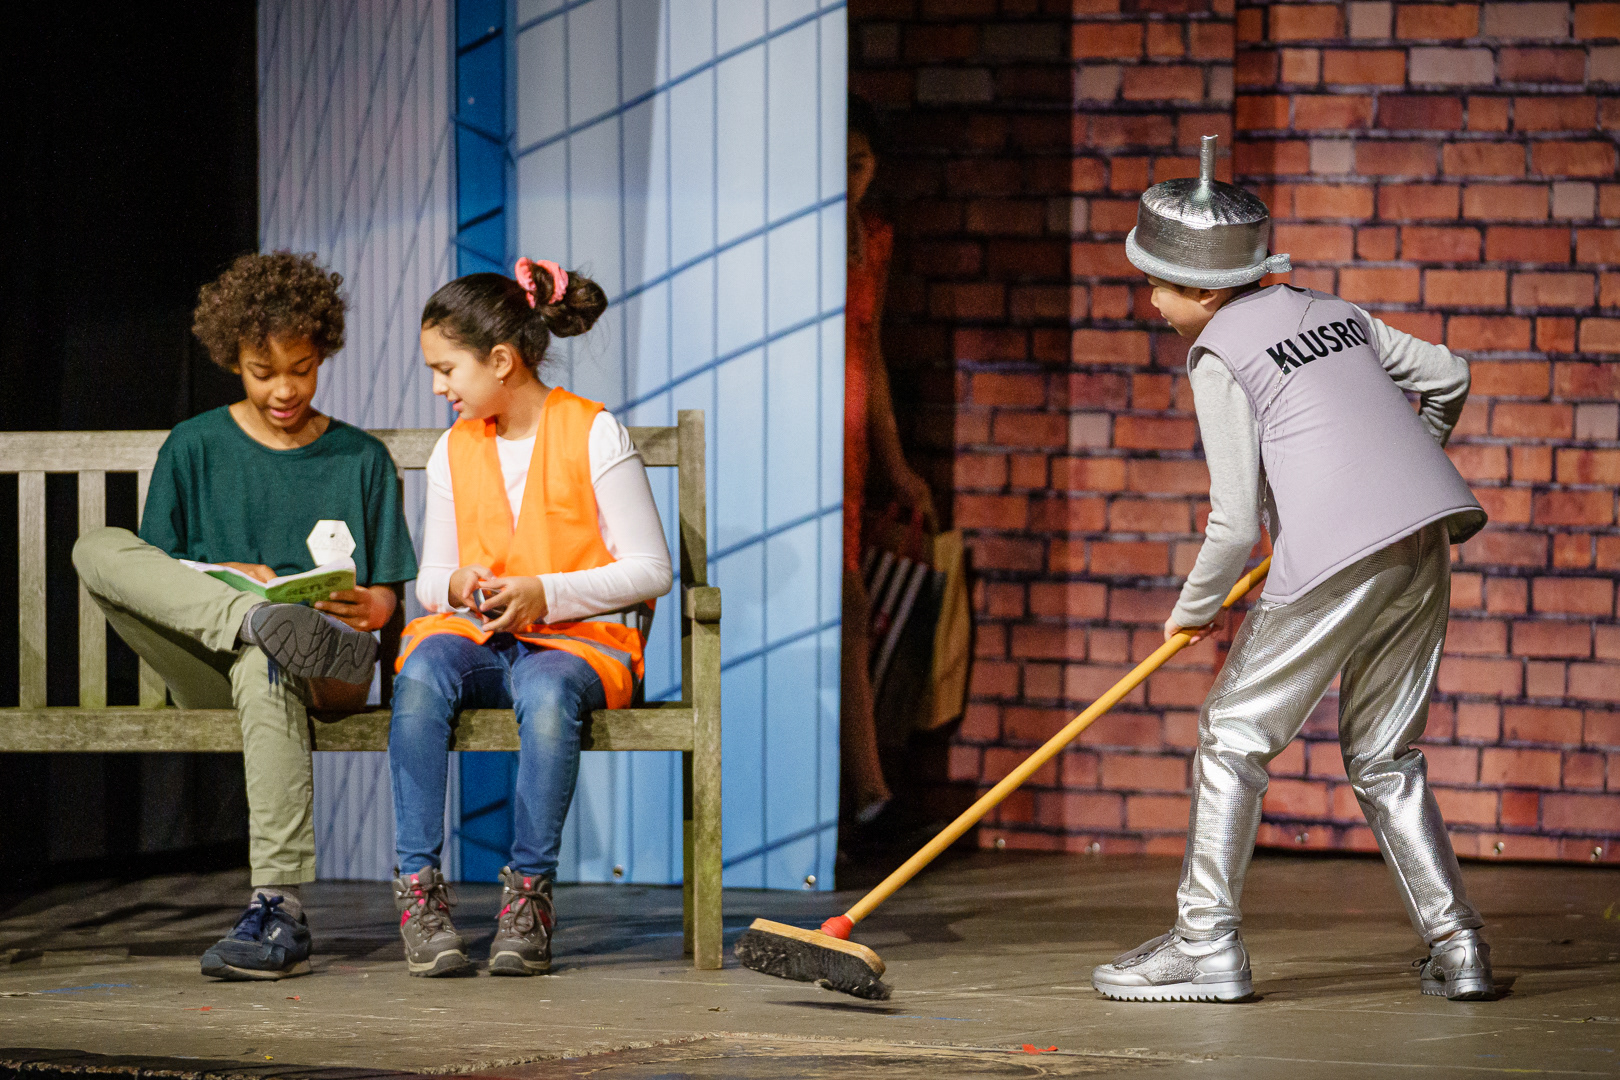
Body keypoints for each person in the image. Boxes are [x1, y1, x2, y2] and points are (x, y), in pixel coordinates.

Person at [1090, 137, 1496, 1003]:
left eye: (1158, 284)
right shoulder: (1334, 312)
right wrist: (1406, 464)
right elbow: (1449, 374)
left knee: (1231, 735)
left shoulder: (1218, 352)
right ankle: (1459, 945)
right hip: (1422, 538)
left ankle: (1205, 944)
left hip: (1337, 555)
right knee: (1385, 755)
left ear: (1204, 291)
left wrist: (1191, 610)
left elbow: (1235, 523)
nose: (1151, 300)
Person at [71, 251, 419, 981]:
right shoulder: (194, 444)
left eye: (302, 368)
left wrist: (373, 604)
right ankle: (250, 617)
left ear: (322, 353)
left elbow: (388, 599)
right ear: (232, 359)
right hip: (216, 657)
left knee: (273, 657)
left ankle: (276, 908)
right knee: (97, 547)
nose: (285, 388)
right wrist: (238, 588)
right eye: (264, 372)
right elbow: (154, 581)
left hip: (332, 667)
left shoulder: (361, 457)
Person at [386, 258, 673, 977]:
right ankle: (419, 892)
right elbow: (430, 580)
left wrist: (547, 592)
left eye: (446, 369)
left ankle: (528, 898)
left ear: (501, 360)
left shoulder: (592, 432)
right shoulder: (455, 447)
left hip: (577, 642)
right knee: (421, 672)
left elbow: (652, 570)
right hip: (482, 636)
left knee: (545, 693)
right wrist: (457, 583)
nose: (438, 386)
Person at [844, 96, 938, 835]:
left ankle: (867, 793)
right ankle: (866, 793)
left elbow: (869, 349)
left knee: (854, 608)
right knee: (839, 606)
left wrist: (896, 463)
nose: (849, 179)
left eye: (860, 164)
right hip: (799, 440)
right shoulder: (795, 235)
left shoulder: (872, 237)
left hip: (849, 448)